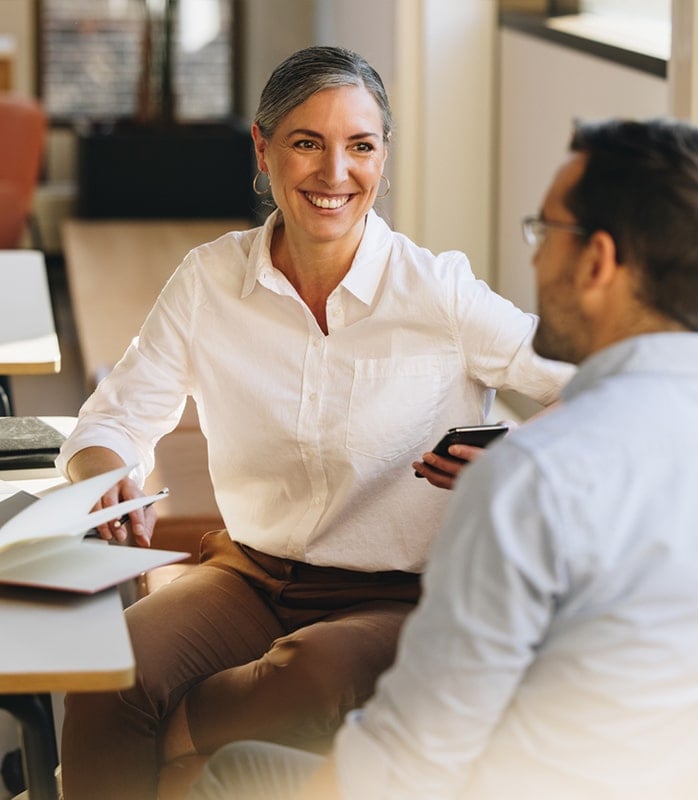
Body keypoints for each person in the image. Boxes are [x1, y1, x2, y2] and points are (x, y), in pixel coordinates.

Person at [186, 117, 698, 800]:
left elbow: (411, 754)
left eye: (545, 232)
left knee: (238, 773)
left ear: (596, 262)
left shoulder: (532, 480)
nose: (534, 260)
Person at [55, 46, 571, 800]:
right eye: (307, 143)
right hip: (250, 574)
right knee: (115, 668)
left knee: (313, 677)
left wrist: (523, 452)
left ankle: (161, 749)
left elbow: (596, 391)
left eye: (360, 146)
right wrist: (106, 477)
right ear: (262, 151)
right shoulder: (209, 281)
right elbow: (113, 418)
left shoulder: (440, 293)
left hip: (400, 596)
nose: (336, 173)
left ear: (383, 159)